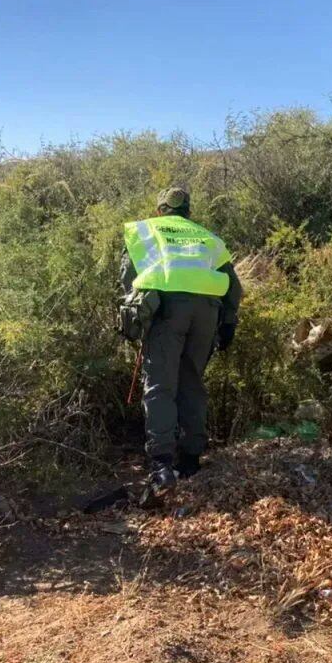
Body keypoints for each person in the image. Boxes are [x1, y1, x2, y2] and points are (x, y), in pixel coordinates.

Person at [120, 187, 242, 494]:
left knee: (161, 384)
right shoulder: (207, 236)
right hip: (207, 312)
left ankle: (161, 463)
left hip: (166, 310)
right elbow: (233, 286)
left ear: (160, 210)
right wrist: (228, 323)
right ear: (188, 212)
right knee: (191, 381)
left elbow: (127, 278)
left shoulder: (146, 230)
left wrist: (138, 314)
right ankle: (190, 458)